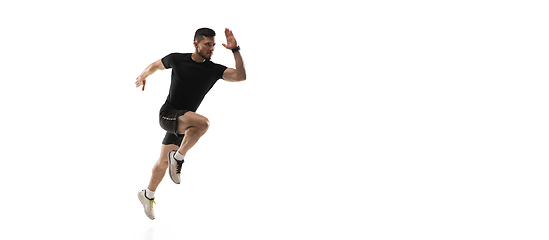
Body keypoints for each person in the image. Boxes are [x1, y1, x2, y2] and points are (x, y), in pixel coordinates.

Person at [135, 28, 246, 220]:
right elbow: (155, 65)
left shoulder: (214, 70)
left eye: (213, 45)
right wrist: (143, 75)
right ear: (196, 44)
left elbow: (240, 76)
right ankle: (178, 158)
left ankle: (147, 195)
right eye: (207, 44)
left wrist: (235, 49)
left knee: (162, 162)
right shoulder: (177, 60)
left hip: (186, 122)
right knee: (203, 123)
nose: (211, 48)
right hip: (168, 115)